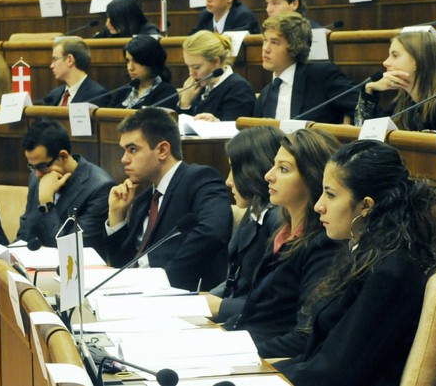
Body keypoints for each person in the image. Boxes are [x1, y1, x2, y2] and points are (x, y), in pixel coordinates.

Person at [277, 140, 436, 386]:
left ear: (366, 206)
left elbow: (338, 370)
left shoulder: (390, 272)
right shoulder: (368, 253)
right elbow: (322, 357)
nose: (318, 205)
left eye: (330, 195)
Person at [224, 128, 342, 357]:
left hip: (267, 361)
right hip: (246, 344)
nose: (268, 175)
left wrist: (235, 352)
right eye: (273, 165)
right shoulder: (282, 232)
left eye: (283, 169)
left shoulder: (323, 246)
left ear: (312, 177)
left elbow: (303, 336)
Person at [104, 107, 232, 290]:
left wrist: (162, 283)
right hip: (136, 295)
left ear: (162, 150)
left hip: (177, 297)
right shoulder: (142, 200)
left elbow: (213, 232)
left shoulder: (199, 179)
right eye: (123, 151)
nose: (124, 159)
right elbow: (122, 265)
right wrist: (116, 216)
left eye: (132, 149)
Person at [206, 126, 286, 323]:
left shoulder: (279, 222)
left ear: (255, 168)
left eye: (234, 169)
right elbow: (236, 280)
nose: (228, 181)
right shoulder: (255, 211)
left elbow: (274, 305)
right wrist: (207, 298)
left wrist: (220, 306)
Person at [17, 119, 115, 256]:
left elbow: (72, 252)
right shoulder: (36, 177)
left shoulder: (100, 188)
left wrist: (46, 204)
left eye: (42, 166)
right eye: (32, 167)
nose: (38, 174)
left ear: (63, 156)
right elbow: (24, 234)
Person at [355, 31, 436, 131]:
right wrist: (369, 91)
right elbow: (366, 136)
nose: (386, 62)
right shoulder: (402, 102)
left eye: (395, 56)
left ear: (417, 61)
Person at [253, 13, 356, 124]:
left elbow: (362, 108)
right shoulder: (265, 94)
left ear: (294, 46)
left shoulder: (321, 76)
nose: (265, 48)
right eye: (265, 40)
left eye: (274, 42)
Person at [177, 30, 256, 121]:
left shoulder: (239, 88)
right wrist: (185, 103)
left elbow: (235, 130)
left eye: (196, 67)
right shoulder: (200, 86)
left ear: (216, 62)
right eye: (188, 66)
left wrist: (216, 123)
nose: (191, 73)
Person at [96, 35, 177, 109]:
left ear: (151, 61)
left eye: (136, 61)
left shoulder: (167, 93)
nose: (130, 68)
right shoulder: (123, 91)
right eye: (128, 61)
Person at [43, 39, 107, 106]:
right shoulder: (53, 95)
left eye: (55, 59)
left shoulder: (97, 95)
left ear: (69, 60)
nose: (51, 66)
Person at [93, 0, 161, 39]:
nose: (107, 24)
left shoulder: (148, 31)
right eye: (107, 18)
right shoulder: (108, 31)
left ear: (126, 19)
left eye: (113, 19)